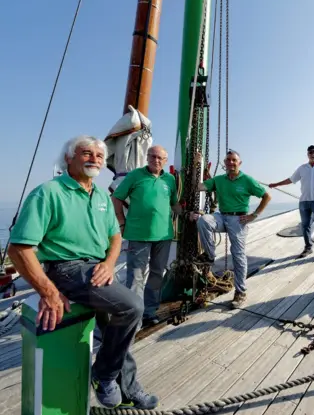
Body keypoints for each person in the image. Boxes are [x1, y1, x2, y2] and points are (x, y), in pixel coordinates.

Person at [7, 135, 158, 410]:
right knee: (133, 307)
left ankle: (127, 385)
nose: (95, 159)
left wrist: (110, 263)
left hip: (97, 269)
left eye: (99, 156)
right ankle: (104, 375)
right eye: (86, 153)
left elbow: (114, 237)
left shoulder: (101, 195)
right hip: (66, 269)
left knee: (119, 324)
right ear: (69, 158)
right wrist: (48, 291)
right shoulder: (49, 193)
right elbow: (19, 249)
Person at [189, 149, 271, 308]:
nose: (231, 162)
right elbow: (198, 187)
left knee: (238, 255)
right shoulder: (219, 180)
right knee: (203, 220)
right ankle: (210, 256)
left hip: (238, 219)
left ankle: (240, 291)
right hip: (222, 215)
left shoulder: (247, 180)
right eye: (228, 160)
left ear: (239, 163)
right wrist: (197, 165)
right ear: (224, 163)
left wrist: (254, 215)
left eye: (234, 160)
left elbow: (267, 196)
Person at [112, 145, 181, 328]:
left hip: (164, 236)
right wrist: (121, 221)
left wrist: (189, 213)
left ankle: (149, 312)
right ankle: (133, 317)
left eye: (160, 158)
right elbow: (117, 197)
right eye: (152, 156)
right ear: (147, 157)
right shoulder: (135, 175)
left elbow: (174, 204)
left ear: (165, 161)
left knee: (157, 274)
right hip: (138, 234)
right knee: (136, 276)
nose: (155, 160)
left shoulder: (170, 180)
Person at [268, 145, 314, 262]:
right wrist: (276, 184)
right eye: (310, 152)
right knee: (305, 226)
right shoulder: (302, 168)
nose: (312, 154)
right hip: (304, 202)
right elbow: (291, 179)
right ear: (307, 154)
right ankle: (308, 248)